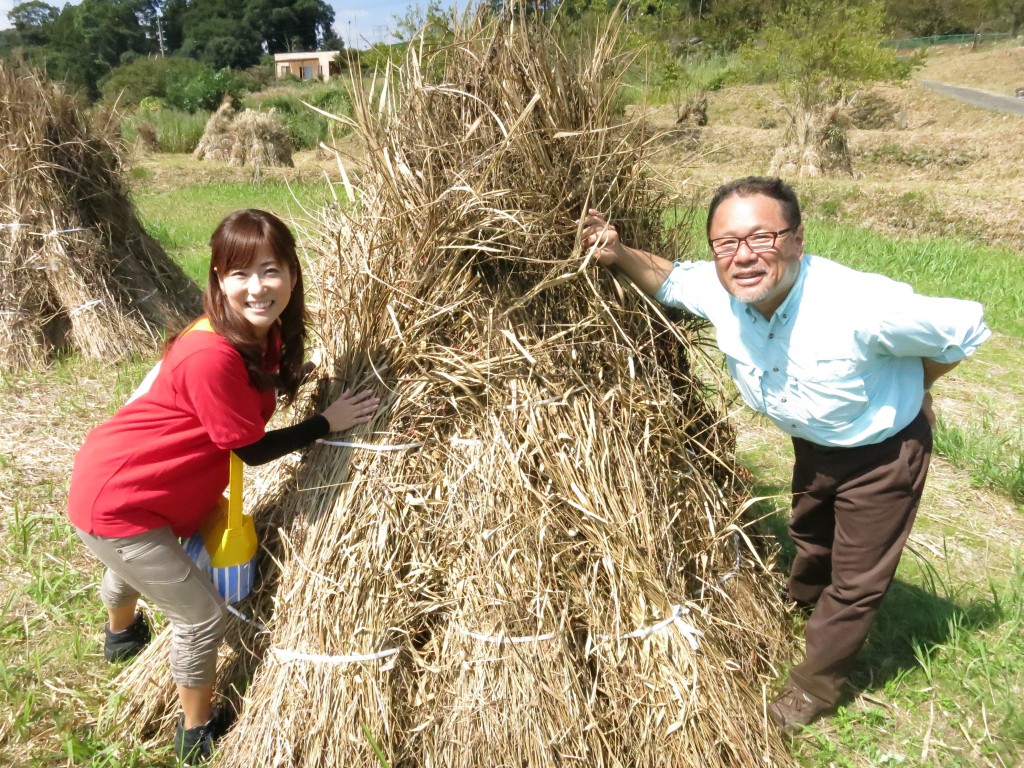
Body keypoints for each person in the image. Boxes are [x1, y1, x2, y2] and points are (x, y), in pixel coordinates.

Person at [581, 176, 990, 735]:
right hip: (813, 442)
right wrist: (619, 252)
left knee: (856, 580)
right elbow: (672, 280)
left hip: (882, 451)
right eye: (726, 243)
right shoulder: (724, 292)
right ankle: (800, 611)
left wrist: (915, 388)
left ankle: (813, 688)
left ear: (797, 239)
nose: (743, 255)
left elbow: (965, 327)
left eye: (762, 237)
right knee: (811, 533)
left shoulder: (859, 306)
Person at [68, 209, 380, 764]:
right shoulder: (212, 353)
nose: (257, 287)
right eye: (239, 274)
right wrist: (325, 423)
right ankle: (197, 732)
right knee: (200, 615)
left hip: (137, 482)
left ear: (292, 273)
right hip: (120, 499)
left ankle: (120, 637)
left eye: (271, 270)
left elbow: (258, 384)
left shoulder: (258, 331)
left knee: (130, 567)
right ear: (217, 278)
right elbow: (251, 450)